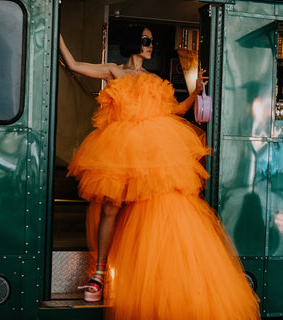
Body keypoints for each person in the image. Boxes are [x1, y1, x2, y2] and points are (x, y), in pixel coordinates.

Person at [59, 25, 260, 319]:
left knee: (155, 211)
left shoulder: (155, 79)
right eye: (145, 41)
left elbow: (176, 111)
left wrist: (197, 94)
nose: (151, 45)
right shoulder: (114, 71)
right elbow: (74, 64)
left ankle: (152, 279)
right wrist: (55, 27)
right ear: (133, 44)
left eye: (152, 41)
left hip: (153, 150)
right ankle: (99, 275)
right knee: (111, 207)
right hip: (119, 148)